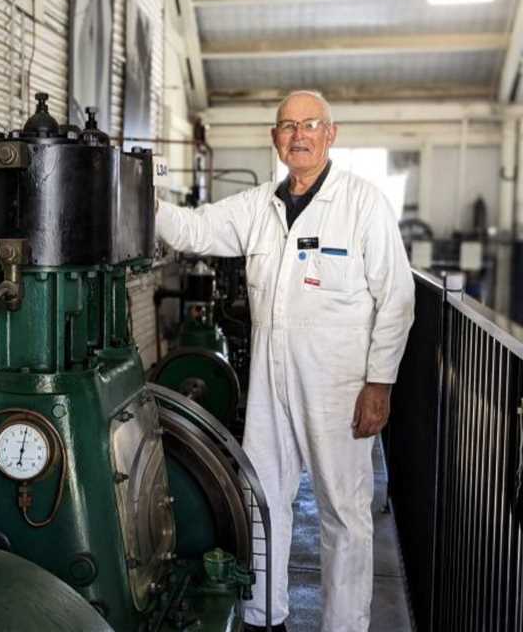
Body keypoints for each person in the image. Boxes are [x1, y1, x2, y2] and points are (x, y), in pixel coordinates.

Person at [156, 90, 415, 632]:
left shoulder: (362, 203)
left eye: (310, 125)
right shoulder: (258, 206)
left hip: (339, 384)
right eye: (287, 126)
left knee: (343, 514)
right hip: (271, 379)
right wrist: (140, 195)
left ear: (331, 134)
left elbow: (397, 298)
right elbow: (193, 229)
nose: (298, 135)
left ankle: (344, 626)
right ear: (275, 138)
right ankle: (262, 616)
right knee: (263, 499)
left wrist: (380, 383)